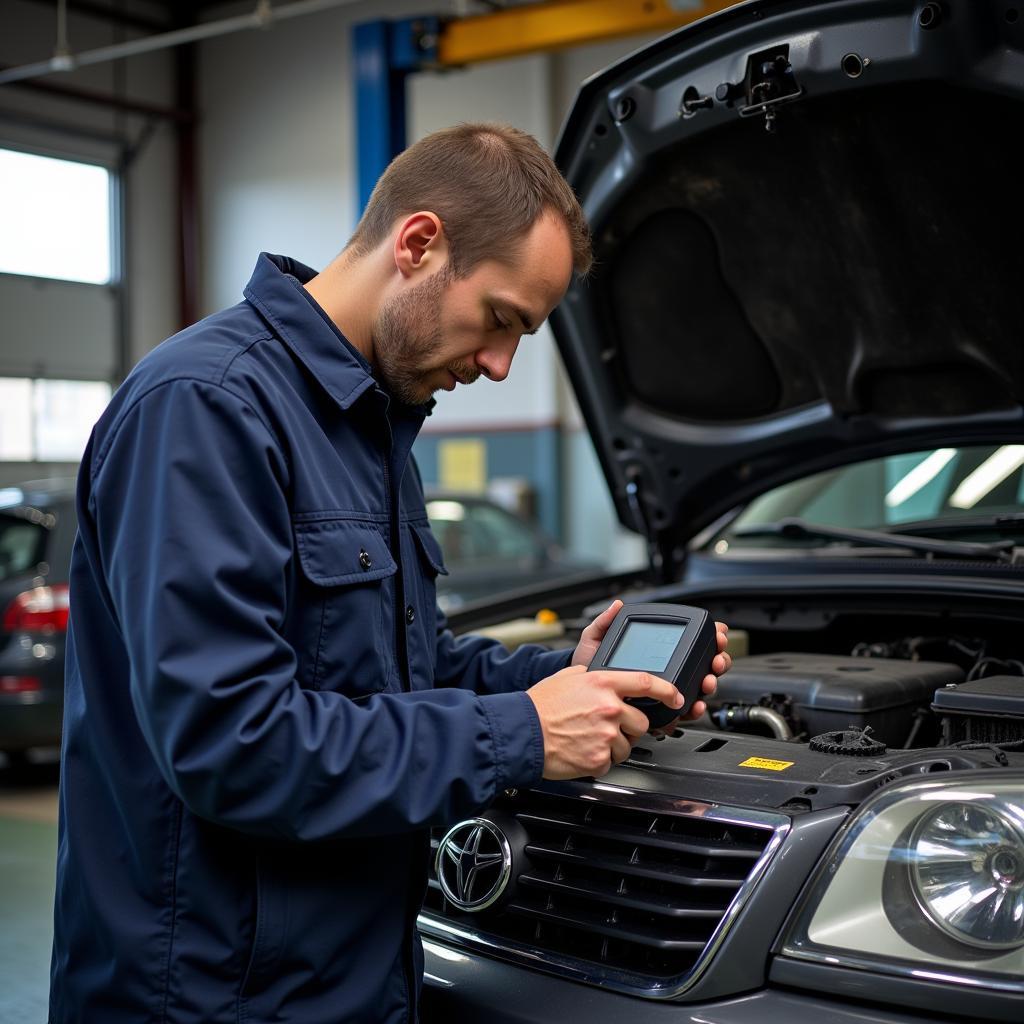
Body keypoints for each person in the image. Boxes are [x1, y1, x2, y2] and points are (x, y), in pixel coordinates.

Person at [49, 123, 730, 1024]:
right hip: (209, 998)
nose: (498, 365)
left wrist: (565, 680)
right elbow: (232, 744)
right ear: (418, 244)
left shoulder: (371, 430)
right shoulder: (206, 409)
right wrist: (519, 734)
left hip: (354, 982)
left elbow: (401, 670)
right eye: (500, 320)